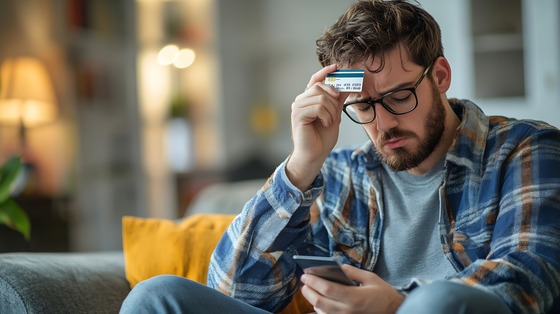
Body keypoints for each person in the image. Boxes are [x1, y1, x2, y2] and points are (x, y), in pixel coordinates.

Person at [120, 0, 560, 313]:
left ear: (440, 76)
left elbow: (528, 281)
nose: (383, 124)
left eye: (399, 96)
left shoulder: (524, 149)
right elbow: (235, 292)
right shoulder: (339, 176)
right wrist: (301, 165)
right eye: (363, 106)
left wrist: (397, 303)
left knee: (439, 302)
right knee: (155, 297)